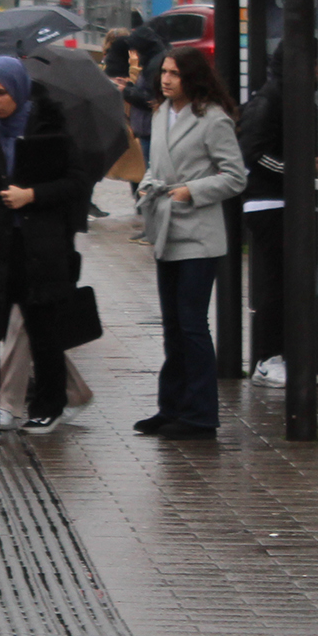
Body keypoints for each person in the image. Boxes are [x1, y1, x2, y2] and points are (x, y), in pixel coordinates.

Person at [0, 56, 90, 441]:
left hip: (39, 245)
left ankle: (48, 407)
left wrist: (32, 194)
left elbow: (76, 183)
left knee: (43, 328)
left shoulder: (49, 128)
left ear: (18, 90)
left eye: (2, 93)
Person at [133, 46, 247, 441]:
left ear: (192, 78)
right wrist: (150, 183)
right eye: (163, 72)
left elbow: (235, 177)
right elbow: (157, 164)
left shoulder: (212, 119)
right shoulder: (162, 112)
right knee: (173, 326)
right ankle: (172, 407)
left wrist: (191, 191)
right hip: (166, 228)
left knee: (192, 324)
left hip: (199, 235)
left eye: (175, 74)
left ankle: (201, 416)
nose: (166, 80)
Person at [238, 41, 318, 388]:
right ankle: (267, 357)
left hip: (289, 203)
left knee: (292, 284)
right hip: (270, 204)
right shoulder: (270, 100)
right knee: (276, 284)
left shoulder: (292, 99)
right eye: (316, 64)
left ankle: (284, 355)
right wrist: (300, 169)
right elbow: (254, 153)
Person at [118, 24, 169, 244]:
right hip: (147, 129)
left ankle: (152, 229)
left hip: (150, 129)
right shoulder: (156, 60)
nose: (135, 54)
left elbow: (149, 100)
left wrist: (126, 91)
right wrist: (130, 86)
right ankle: (150, 228)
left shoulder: (154, 64)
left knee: (150, 182)